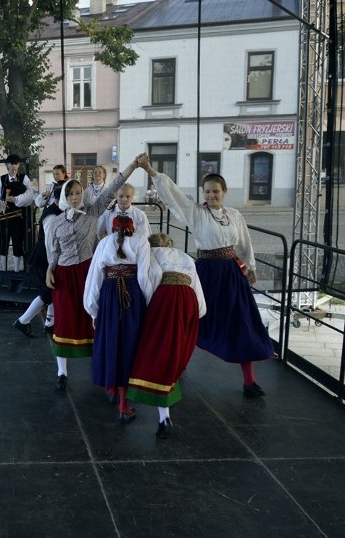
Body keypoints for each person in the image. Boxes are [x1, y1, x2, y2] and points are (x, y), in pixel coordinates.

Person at [137, 155, 275, 397]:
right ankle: (176, 371)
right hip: (207, 273)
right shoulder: (197, 214)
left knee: (242, 321)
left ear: (224, 192)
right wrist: (151, 170)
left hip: (231, 274)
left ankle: (249, 381)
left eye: (216, 191)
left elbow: (244, 242)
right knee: (193, 320)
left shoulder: (234, 215)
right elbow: (174, 196)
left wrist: (250, 268)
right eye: (208, 191)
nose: (211, 195)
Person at [45, 154, 141, 391]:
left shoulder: (93, 211)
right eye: (70, 194)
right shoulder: (55, 223)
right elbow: (54, 251)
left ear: (83, 194)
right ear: (64, 197)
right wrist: (50, 268)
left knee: (95, 320)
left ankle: (100, 369)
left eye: (78, 193)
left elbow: (114, 187)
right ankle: (62, 371)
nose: (75, 197)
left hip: (90, 273)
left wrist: (132, 165)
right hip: (65, 276)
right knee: (65, 321)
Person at [126, 233, 206, 439]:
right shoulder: (185, 257)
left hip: (166, 298)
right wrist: (196, 312)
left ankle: (163, 413)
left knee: (157, 351)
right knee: (174, 350)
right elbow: (197, 289)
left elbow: (149, 279)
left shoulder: (150, 254)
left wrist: (146, 309)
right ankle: (165, 412)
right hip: (188, 300)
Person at [83, 212, 153, 422]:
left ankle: (112, 388)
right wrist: (148, 305)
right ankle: (123, 403)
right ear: (134, 227)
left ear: (113, 228)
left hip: (110, 293)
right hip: (133, 294)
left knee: (111, 339)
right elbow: (144, 277)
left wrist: (93, 309)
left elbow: (95, 277)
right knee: (129, 343)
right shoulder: (141, 241)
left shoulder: (104, 242)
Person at [13, 184, 63, 338]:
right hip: (44, 258)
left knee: (54, 289)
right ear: (57, 200)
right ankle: (23, 320)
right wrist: (52, 265)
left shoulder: (59, 212)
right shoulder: (51, 215)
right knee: (47, 292)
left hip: (49, 258)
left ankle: (49, 323)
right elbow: (49, 242)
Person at [0, 154, 35, 272]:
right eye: (11, 164)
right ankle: (3, 271)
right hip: (4, 217)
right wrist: (0, 204)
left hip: (19, 217)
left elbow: (30, 195)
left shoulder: (24, 178)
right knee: (3, 243)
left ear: (18, 165)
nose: (14, 166)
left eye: (16, 164)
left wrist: (16, 199)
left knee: (17, 242)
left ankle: (16, 270)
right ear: (7, 165)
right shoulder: (2, 179)